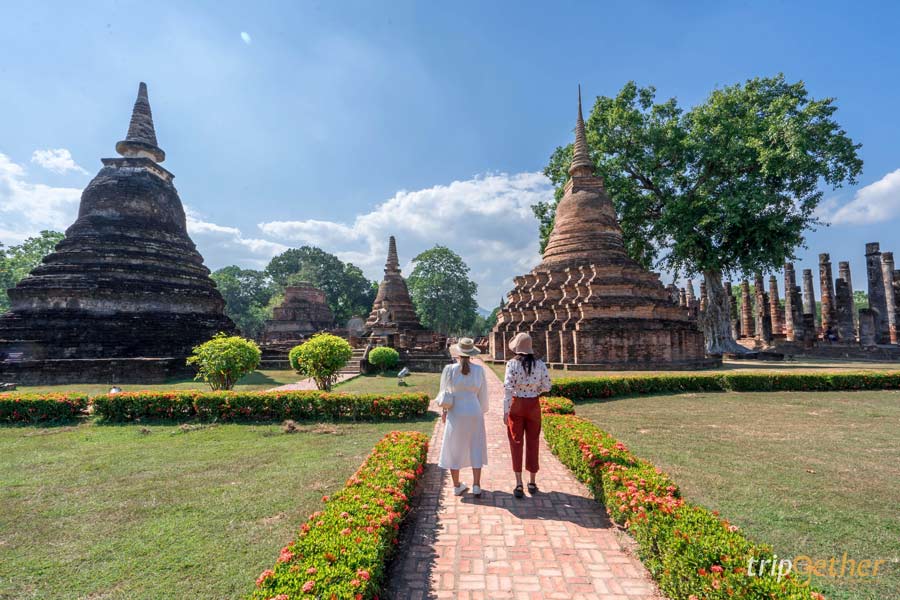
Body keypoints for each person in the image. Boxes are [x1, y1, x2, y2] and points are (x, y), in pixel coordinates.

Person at [437, 337, 489, 497]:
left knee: (454, 446)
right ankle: (476, 485)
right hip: (474, 410)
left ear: (459, 353)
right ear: (472, 353)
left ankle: (456, 485)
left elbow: (444, 393)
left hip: (456, 410)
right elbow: (483, 395)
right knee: (476, 445)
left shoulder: (449, 369)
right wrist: (481, 410)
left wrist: (444, 412)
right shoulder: (479, 370)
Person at [503, 332, 551, 498]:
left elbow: (508, 388)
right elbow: (547, 386)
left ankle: (518, 483)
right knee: (533, 441)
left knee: (516, 442)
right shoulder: (540, 364)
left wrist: (505, 411)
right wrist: (535, 389)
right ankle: (532, 481)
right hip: (533, 404)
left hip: (517, 403)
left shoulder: (512, 364)